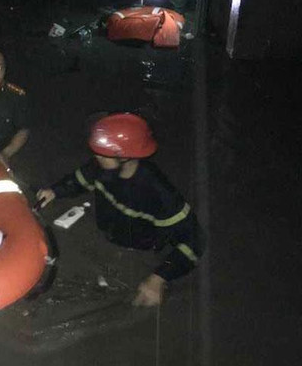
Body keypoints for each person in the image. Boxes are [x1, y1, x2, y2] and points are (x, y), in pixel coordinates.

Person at [36, 113, 205, 307]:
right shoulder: (101, 165)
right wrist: (55, 191)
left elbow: (195, 240)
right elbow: (79, 180)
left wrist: (158, 278)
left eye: (101, 153)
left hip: (137, 250)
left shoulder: (157, 192)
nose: (95, 156)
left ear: (124, 156)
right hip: (104, 230)